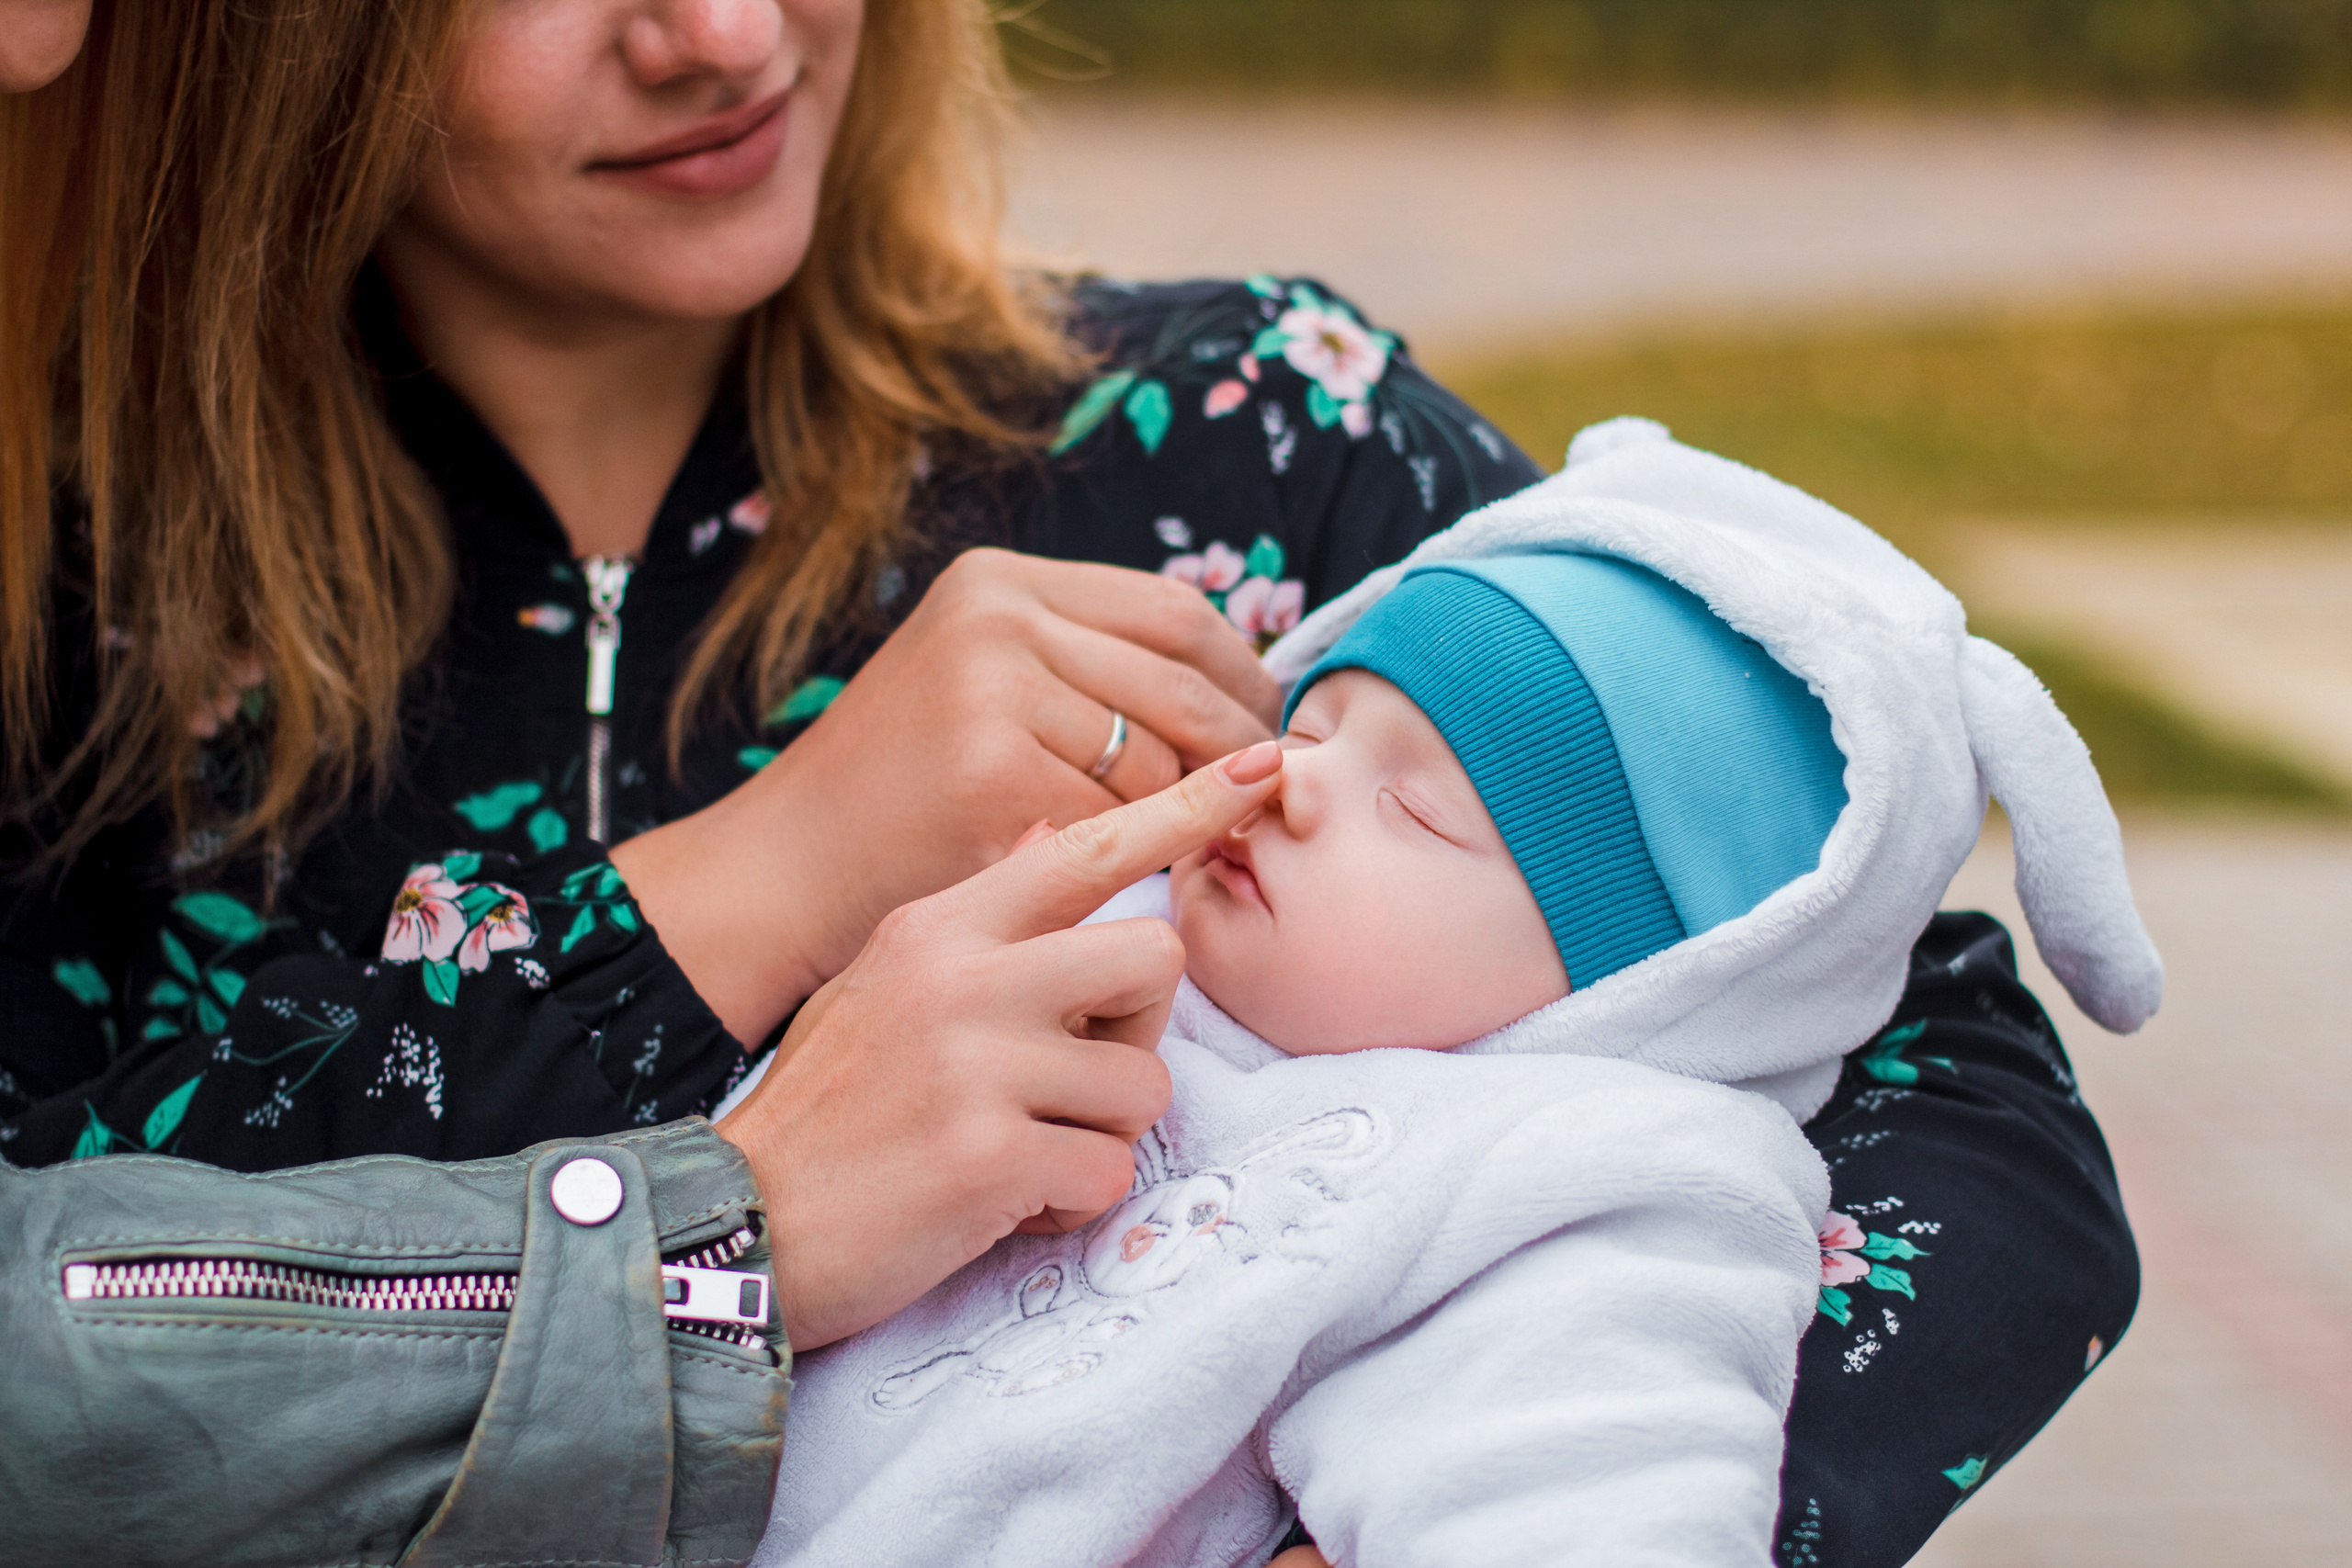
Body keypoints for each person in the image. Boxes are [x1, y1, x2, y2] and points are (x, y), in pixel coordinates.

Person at [0, 4, 2139, 1566]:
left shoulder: (1250, 431)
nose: (721, 36)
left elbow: (1940, 1082)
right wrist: (760, 882)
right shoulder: (64, 595)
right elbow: (64, 1318)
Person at [742, 426, 2162, 1568]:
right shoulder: (1079, 926)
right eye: (1310, 719)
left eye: (1417, 810)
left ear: (1638, 988)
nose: (1289, 782)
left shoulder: (1573, 1190)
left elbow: (1582, 1495)